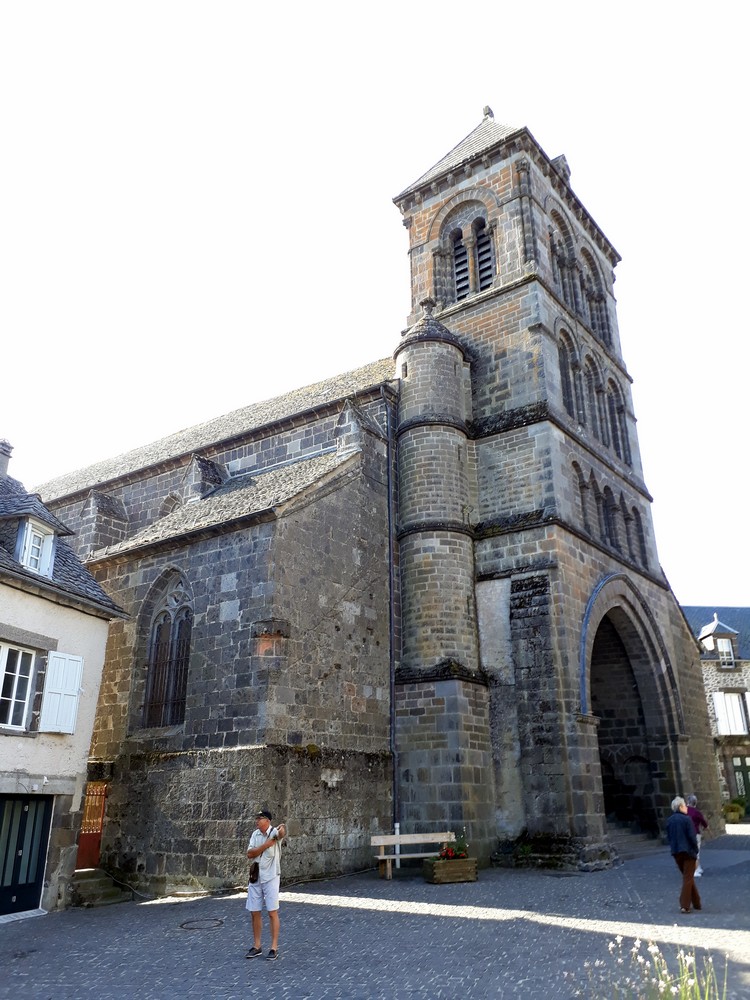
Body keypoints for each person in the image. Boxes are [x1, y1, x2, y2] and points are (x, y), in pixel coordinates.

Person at [245, 810, 286, 960]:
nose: (257, 821)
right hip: (256, 877)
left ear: (267, 820)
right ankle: (257, 946)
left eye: (260, 818)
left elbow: (281, 832)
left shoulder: (274, 832)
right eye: (256, 818)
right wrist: (266, 845)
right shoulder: (255, 835)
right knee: (254, 911)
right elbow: (250, 853)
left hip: (271, 877)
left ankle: (274, 947)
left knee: (272, 911)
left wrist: (282, 829)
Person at [666, 795, 701, 913]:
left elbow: (669, 837)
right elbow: (692, 837)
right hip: (688, 852)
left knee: (688, 876)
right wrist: (696, 851)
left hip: (676, 852)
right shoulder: (687, 819)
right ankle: (685, 905)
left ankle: (697, 903)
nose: (686, 807)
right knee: (688, 877)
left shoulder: (669, 820)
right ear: (680, 807)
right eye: (685, 805)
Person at [686, 794, 709, 876]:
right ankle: (695, 870)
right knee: (696, 852)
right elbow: (704, 823)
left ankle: (697, 868)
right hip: (695, 833)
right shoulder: (697, 812)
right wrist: (706, 829)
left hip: (685, 834)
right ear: (695, 803)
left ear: (687, 802)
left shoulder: (683, 811)